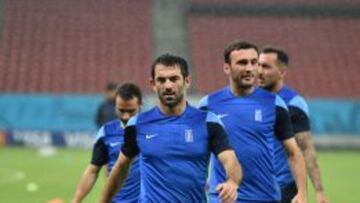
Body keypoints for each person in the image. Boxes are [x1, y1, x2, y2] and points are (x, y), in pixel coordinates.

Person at [100, 54, 242, 203]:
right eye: (161, 80)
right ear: (153, 84)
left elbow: (230, 160)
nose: (168, 86)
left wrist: (232, 182)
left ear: (187, 81)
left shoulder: (208, 122)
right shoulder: (137, 124)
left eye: (174, 79)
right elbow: (121, 168)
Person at [198, 40, 307, 203]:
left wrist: (302, 193)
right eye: (242, 63)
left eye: (253, 63)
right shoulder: (208, 105)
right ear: (227, 68)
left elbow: (293, 152)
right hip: (223, 197)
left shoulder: (274, 103)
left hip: (264, 196)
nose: (249, 68)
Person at [258, 46, 330, 203]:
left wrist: (319, 191)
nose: (259, 71)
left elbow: (306, 148)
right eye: (258, 65)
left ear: (282, 72)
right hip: (254, 186)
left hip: (284, 187)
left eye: (266, 66)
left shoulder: (293, 103)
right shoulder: (249, 99)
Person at [72, 83, 143, 203]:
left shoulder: (152, 130)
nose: (126, 116)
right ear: (115, 106)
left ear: (140, 105)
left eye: (131, 111)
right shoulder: (106, 132)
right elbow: (93, 170)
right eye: (121, 110)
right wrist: (76, 201)